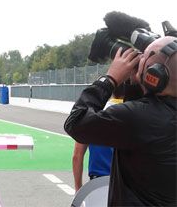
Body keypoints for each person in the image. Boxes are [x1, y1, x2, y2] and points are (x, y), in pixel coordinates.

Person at [65, 37, 177, 206]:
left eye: (144, 58)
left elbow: (76, 122)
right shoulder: (156, 116)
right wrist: (134, 82)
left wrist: (109, 79)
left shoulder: (139, 117)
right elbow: (141, 118)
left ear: (156, 73)